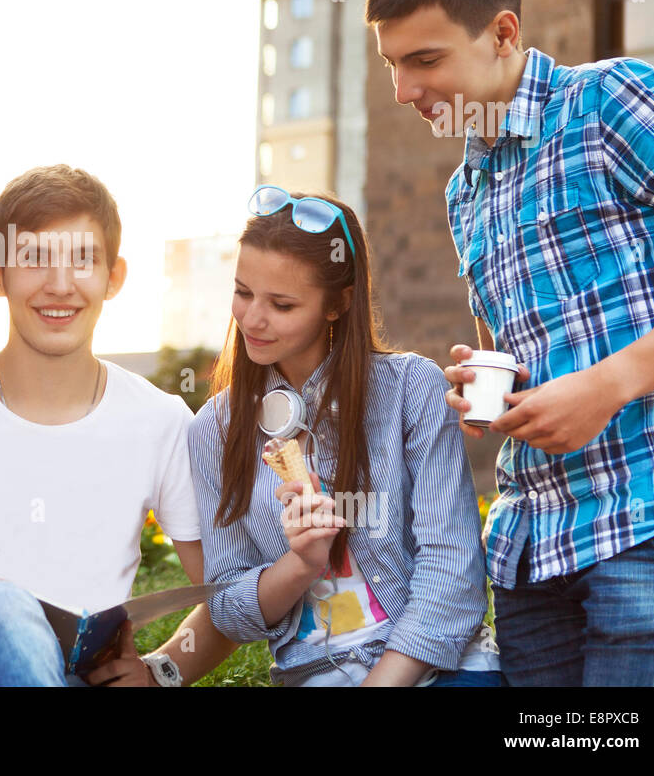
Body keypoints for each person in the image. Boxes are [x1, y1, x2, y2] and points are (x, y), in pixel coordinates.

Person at [368, 0, 654, 686]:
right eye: (391, 66)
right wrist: (488, 389)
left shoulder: (612, 102)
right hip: (529, 552)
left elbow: (597, 377)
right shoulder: (463, 191)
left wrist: (607, 385)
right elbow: (521, 354)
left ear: (503, 33)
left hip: (649, 520)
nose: (405, 90)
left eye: (424, 60)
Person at [0, 165, 238, 686]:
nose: (61, 285)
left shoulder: (160, 422)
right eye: (34, 258)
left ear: (115, 277)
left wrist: (161, 673)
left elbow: (229, 598)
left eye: (84, 260)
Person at [188, 188, 500, 686]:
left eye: (283, 304)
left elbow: (453, 571)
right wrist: (300, 563)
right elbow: (227, 609)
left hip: (442, 667)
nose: (252, 318)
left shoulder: (410, 389)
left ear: (338, 304)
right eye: (243, 292)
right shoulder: (213, 430)